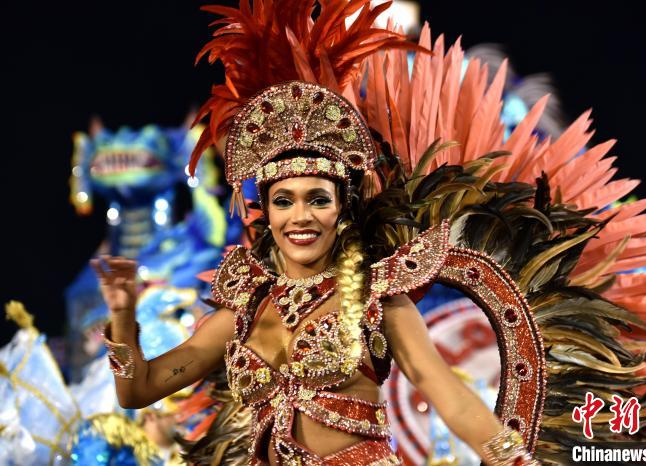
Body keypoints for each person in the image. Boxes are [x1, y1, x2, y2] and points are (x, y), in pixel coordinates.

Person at [91, 78, 538, 465]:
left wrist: (514, 460)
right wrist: (124, 316)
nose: (300, 217)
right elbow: (139, 391)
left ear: (341, 208)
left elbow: (449, 397)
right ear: (267, 212)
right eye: (284, 201)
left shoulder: (376, 297)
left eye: (318, 199)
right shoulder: (245, 309)